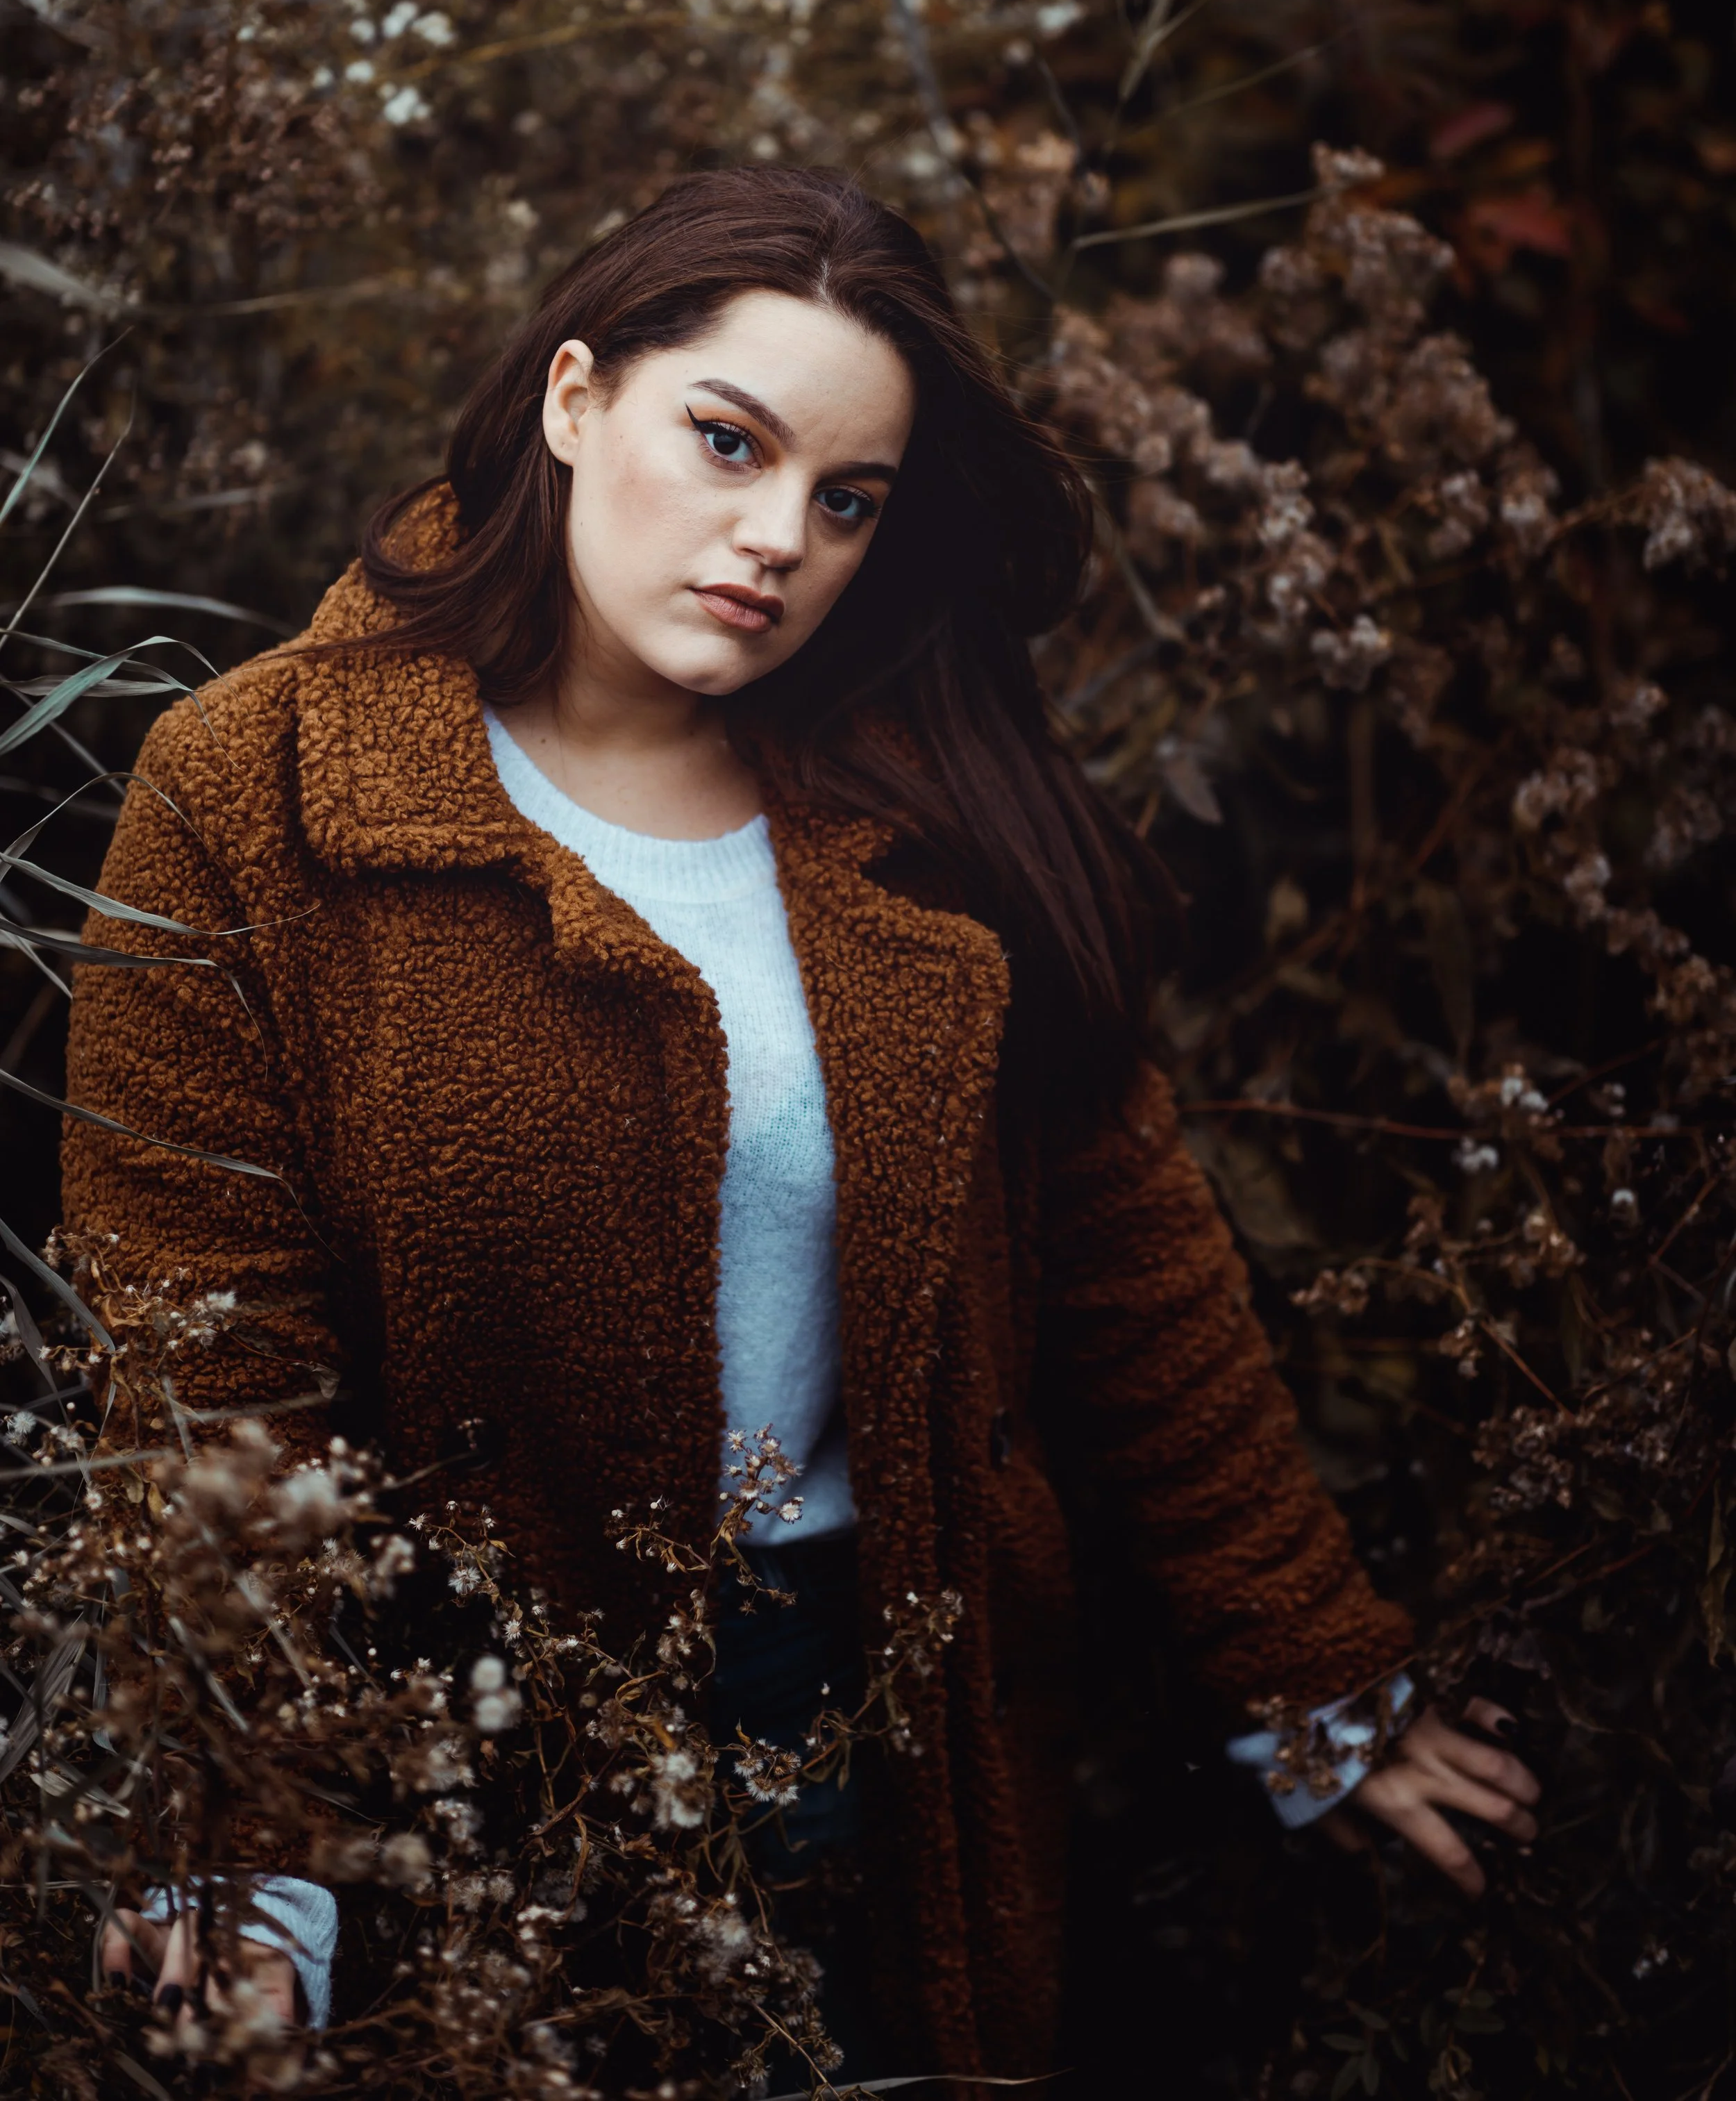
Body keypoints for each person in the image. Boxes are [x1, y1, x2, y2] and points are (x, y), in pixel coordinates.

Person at [66, 167, 1539, 2075]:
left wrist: (1308, 1673)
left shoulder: (930, 818)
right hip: (443, 1738)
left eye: (847, 500)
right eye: (728, 442)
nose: (778, 537)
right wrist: (237, 1852)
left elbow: (1129, 1268)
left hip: (873, 1711)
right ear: (577, 397)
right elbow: (199, 1356)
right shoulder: (255, 785)